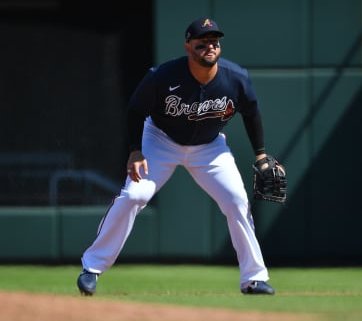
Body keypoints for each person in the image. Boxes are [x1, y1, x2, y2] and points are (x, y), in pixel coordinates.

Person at [77, 17, 275, 295]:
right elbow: (135, 110)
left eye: (214, 41)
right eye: (202, 42)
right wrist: (135, 149)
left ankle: (254, 278)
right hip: (160, 141)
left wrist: (261, 154)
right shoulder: (163, 76)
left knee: (237, 201)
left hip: (210, 148)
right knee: (134, 196)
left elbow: (252, 112)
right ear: (187, 46)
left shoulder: (235, 77)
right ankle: (92, 268)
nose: (210, 46)